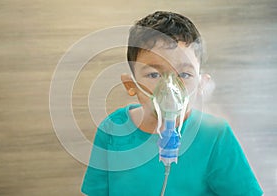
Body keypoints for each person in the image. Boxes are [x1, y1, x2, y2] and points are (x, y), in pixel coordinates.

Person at [81, 11, 263, 195]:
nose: (169, 88)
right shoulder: (113, 129)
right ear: (131, 85)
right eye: (154, 74)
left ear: (201, 85)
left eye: (184, 75)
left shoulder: (214, 136)